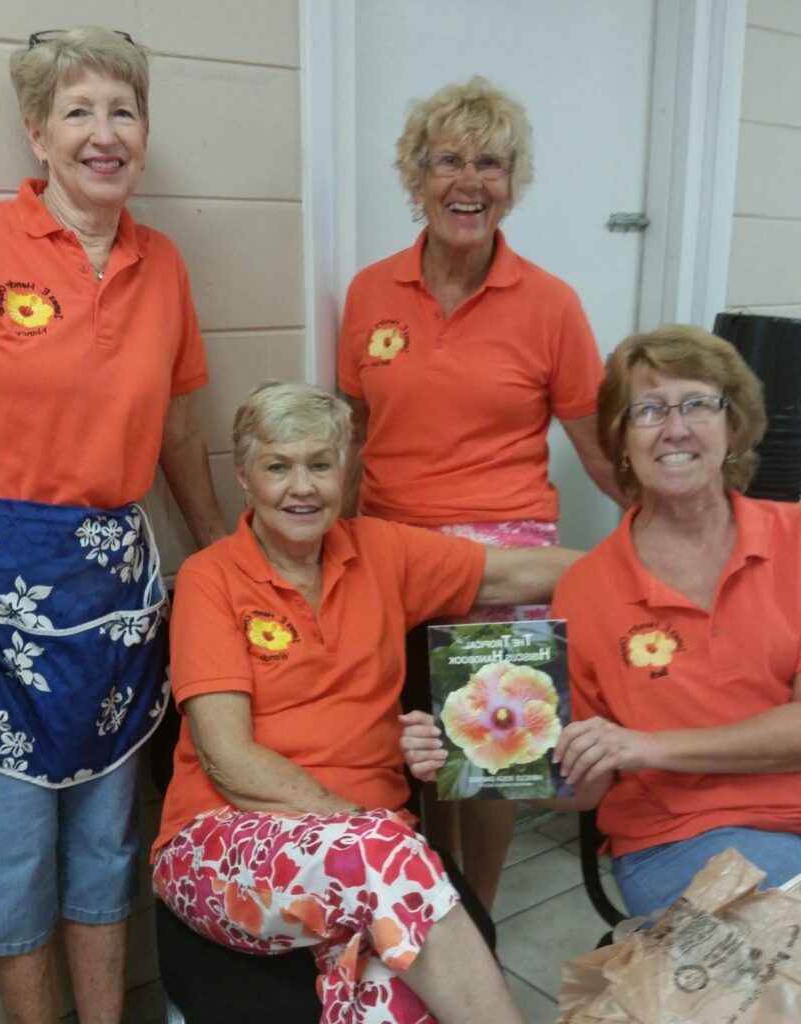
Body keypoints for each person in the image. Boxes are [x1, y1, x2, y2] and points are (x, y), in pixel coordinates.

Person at [151, 381, 582, 1024]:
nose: (302, 487)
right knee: (389, 867)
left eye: (320, 465)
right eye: (278, 466)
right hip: (217, 844)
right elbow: (229, 761)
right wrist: (361, 827)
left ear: (344, 472)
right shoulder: (214, 578)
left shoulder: (383, 552)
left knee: (406, 1004)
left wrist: (646, 567)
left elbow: (514, 572)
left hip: (366, 867)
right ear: (244, 477)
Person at [337, 75, 622, 910]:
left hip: (507, 556)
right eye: (449, 161)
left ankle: (480, 923)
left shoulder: (551, 304)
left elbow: (600, 448)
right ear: (416, 176)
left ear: (512, 181)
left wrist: (668, 534)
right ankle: (429, 911)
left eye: (490, 163)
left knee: (493, 760)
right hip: (392, 547)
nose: (469, 181)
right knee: (410, 750)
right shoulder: (368, 293)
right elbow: (352, 435)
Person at [0, 28, 225, 1024]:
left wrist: (219, 550)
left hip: (118, 593)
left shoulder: (162, 263)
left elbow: (175, 425)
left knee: (104, 844)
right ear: (36, 133)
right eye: (78, 112)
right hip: (4, 590)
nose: (103, 133)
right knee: (13, 854)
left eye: (121, 111)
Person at [549, 324, 801, 916]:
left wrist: (644, 747)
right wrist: (486, 758)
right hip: (678, 837)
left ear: (733, 423)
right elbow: (585, 789)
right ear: (621, 441)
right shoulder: (585, 590)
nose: (676, 428)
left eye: (697, 404)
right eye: (649, 411)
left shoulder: (796, 540)